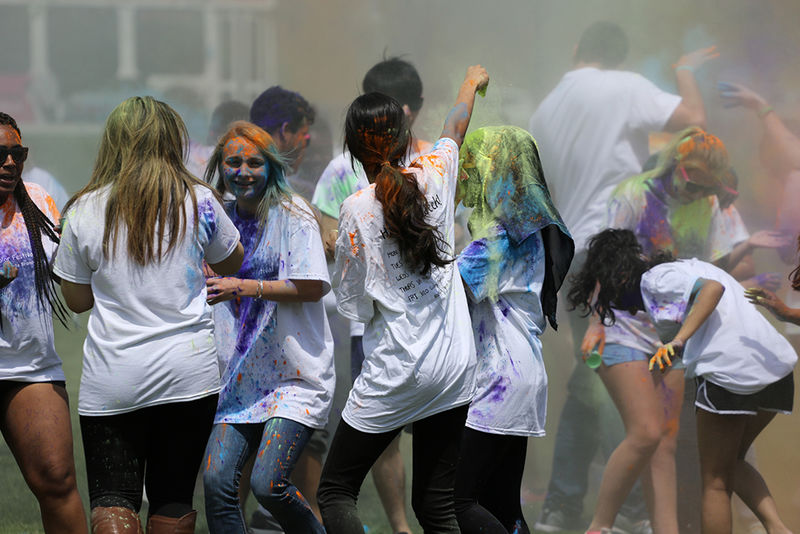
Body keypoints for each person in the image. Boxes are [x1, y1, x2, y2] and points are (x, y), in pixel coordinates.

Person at [527, 20, 717, 532]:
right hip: (612, 253)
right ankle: (625, 510)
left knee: (592, 378)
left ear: (576, 49)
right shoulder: (624, 87)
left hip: (564, 257)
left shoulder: (547, 107)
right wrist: (685, 70)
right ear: (618, 57)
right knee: (629, 380)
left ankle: (566, 505)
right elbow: (692, 120)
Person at [54, 96, 244, 533]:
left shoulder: (83, 209)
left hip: (114, 376)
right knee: (174, 499)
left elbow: (77, 300)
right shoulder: (201, 200)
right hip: (189, 376)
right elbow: (233, 261)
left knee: (113, 503)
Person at [583, 128, 788, 533]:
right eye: (693, 183)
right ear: (676, 165)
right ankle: (599, 525)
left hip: (674, 333)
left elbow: (705, 278)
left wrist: (746, 270)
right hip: (623, 323)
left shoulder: (708, 206)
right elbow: (603, 260)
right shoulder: (633, 194)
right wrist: (595, 320)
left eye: (706, 188)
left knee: (667, 442)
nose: (696, 193)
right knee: (645, 432)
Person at [317, 64, 489, 533]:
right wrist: (470, 82)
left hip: (399, 369)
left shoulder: (355, 208)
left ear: (353, 149)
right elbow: (457, 124)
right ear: (407, 134)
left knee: (335, 491)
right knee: (436, 506)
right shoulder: (436, 172)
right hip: (454, 366)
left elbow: (354, 306)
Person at [571, 228, 796, 534]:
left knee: (715, 482)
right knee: (733, 461)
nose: (629, 309)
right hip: (777, 369)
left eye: (615, 298)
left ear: (621, 275)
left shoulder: (656, 278)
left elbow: (712, 290)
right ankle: (777, 528)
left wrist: (677, 342)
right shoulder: (687, 268)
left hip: (730, 372)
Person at [311, 56, 432, 534]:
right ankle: (403, 527)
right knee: (388, 438)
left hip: (401, 325)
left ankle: (415, 520)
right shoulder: (347, 168)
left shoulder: (427, 160)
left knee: (407, 435)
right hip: (378, 324)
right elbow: (323, 236)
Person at [200, 121, 334, 533]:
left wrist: (244, 286)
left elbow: (312, 286)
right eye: (233, 162)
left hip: (295, 377)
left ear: (271, 167)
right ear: (220, 167)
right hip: (239, 379)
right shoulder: (217, 217)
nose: (243, 172)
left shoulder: (293, 214)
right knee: (217, 481)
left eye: (254, 163)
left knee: (268, 483)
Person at [453, 126, 574, 533]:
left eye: (475, 164)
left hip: (498, 381)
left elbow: (447, 289)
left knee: (457, 504)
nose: (467, 174)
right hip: (520, 376)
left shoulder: (503, 235)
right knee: (503, 505)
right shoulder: (532, 229)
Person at [0, 112, 87, 533]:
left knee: (57, 480)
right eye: (1, 154)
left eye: (17, 153)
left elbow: (70, 266)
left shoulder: (37, 199)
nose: (10, 163)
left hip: (29, 368)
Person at [249, 86, 315, 195]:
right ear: (285, 130)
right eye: (304, 134)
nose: (304, 144)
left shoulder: (237, 173)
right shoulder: (269, 184)